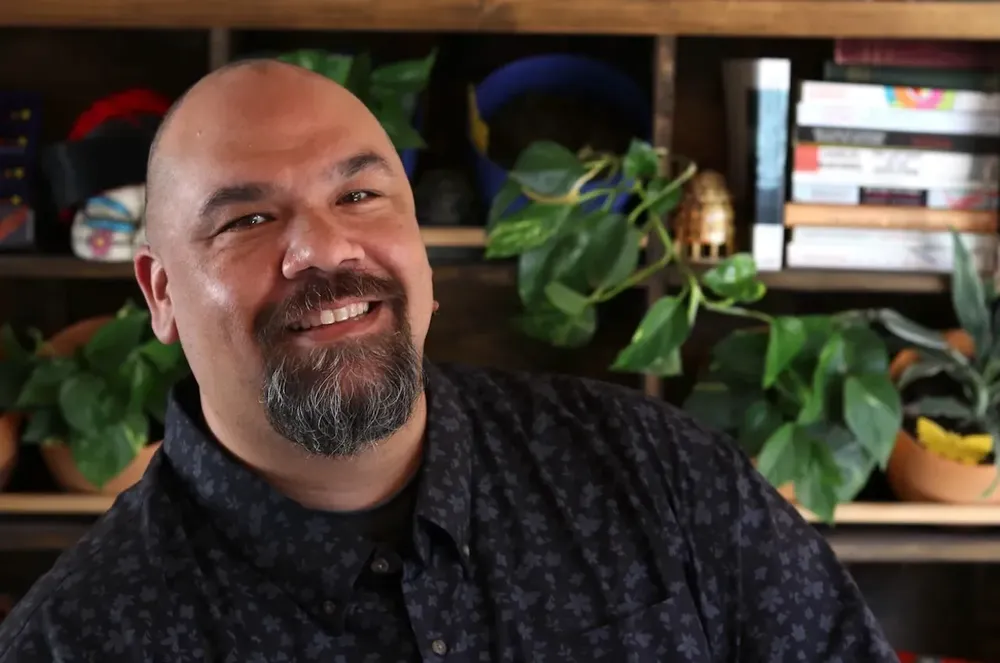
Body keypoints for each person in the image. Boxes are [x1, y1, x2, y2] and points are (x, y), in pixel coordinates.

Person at [0, 60, 898, 663]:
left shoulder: (657, 474)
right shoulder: (80, 638)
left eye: (360, 193)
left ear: (422, 248)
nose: (324, 247)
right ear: (159, 293)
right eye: (247, 219)